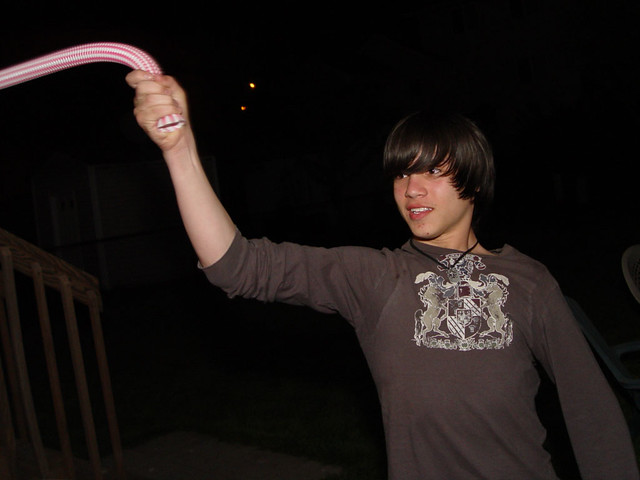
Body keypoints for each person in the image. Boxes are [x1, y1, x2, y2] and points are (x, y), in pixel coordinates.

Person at [126, 70, 640, 480]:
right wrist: (180, 151)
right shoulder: (375, 278)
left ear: (474, 179)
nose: (412, 189)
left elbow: (592, 413)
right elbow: (235, 266)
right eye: (401, 172)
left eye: (432, 170)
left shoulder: (529, 282)